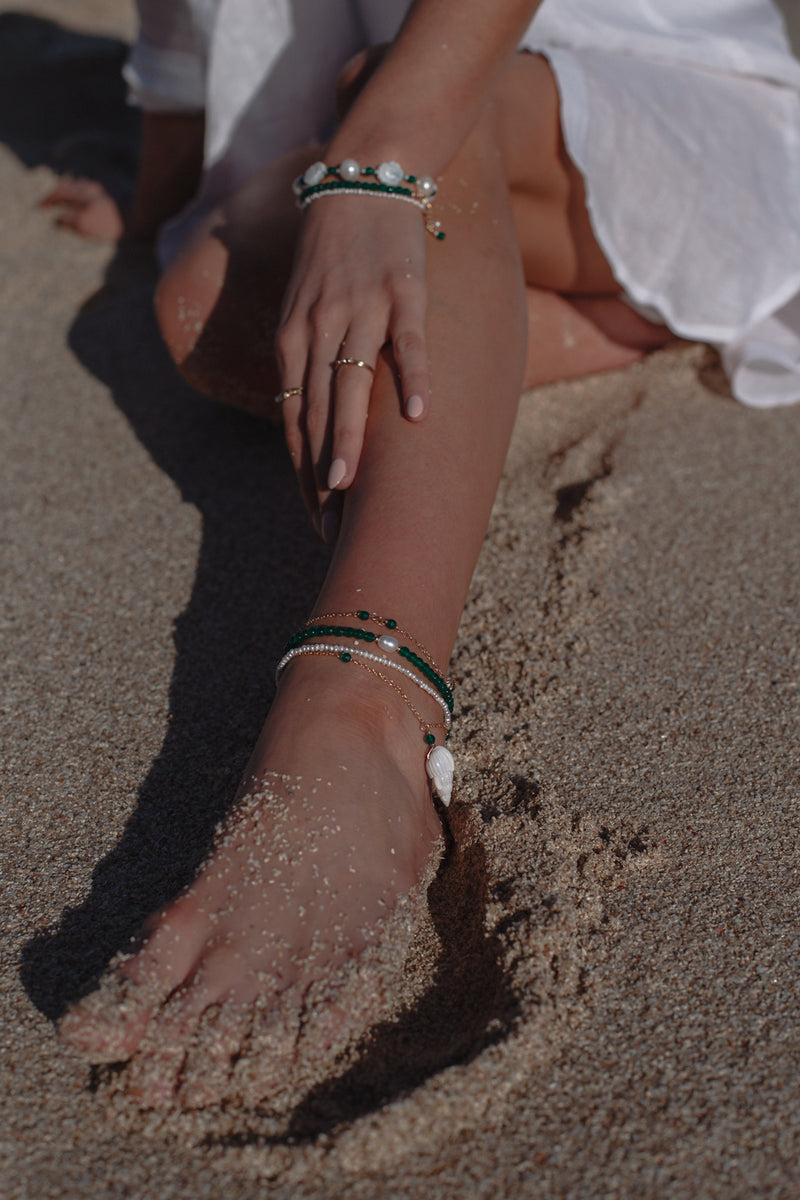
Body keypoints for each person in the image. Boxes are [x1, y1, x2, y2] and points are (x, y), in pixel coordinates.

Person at [50, 0, 800, 1110]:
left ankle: (365, 708)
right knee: (196, 310)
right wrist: (159, 197)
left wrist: (372, 166)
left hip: (665, 108)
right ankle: (620, 322)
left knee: (411, 105)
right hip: (409, 131)